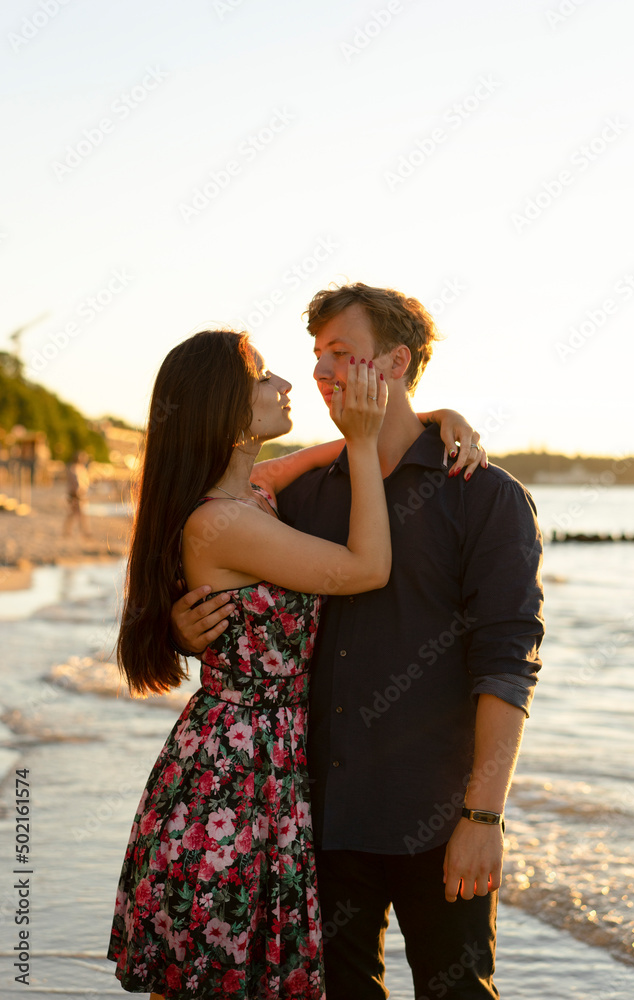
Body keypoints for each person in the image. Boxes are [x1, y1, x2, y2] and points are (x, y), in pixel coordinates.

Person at [172, 284, 545, 1000]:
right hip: (314, 817)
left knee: (458, 991)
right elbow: (197, 534)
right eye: (316, 357)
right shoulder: (299, 496)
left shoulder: (486, 496)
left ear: (396, 362)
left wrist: (483, 815)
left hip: (436, 816)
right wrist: (176, 621)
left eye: (341, 355)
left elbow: (507, 664)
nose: (320, 374)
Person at [108, 328, 396, 999]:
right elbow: (367, 569)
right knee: (213, 976)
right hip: (229, 784)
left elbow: (304, 462)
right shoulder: (223, 523)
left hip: (257, 769)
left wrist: (440, 419)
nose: (285, 386)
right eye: (263, 377)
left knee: (236, 976)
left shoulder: (253, 493)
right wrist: (359, 439)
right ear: (226, 410)